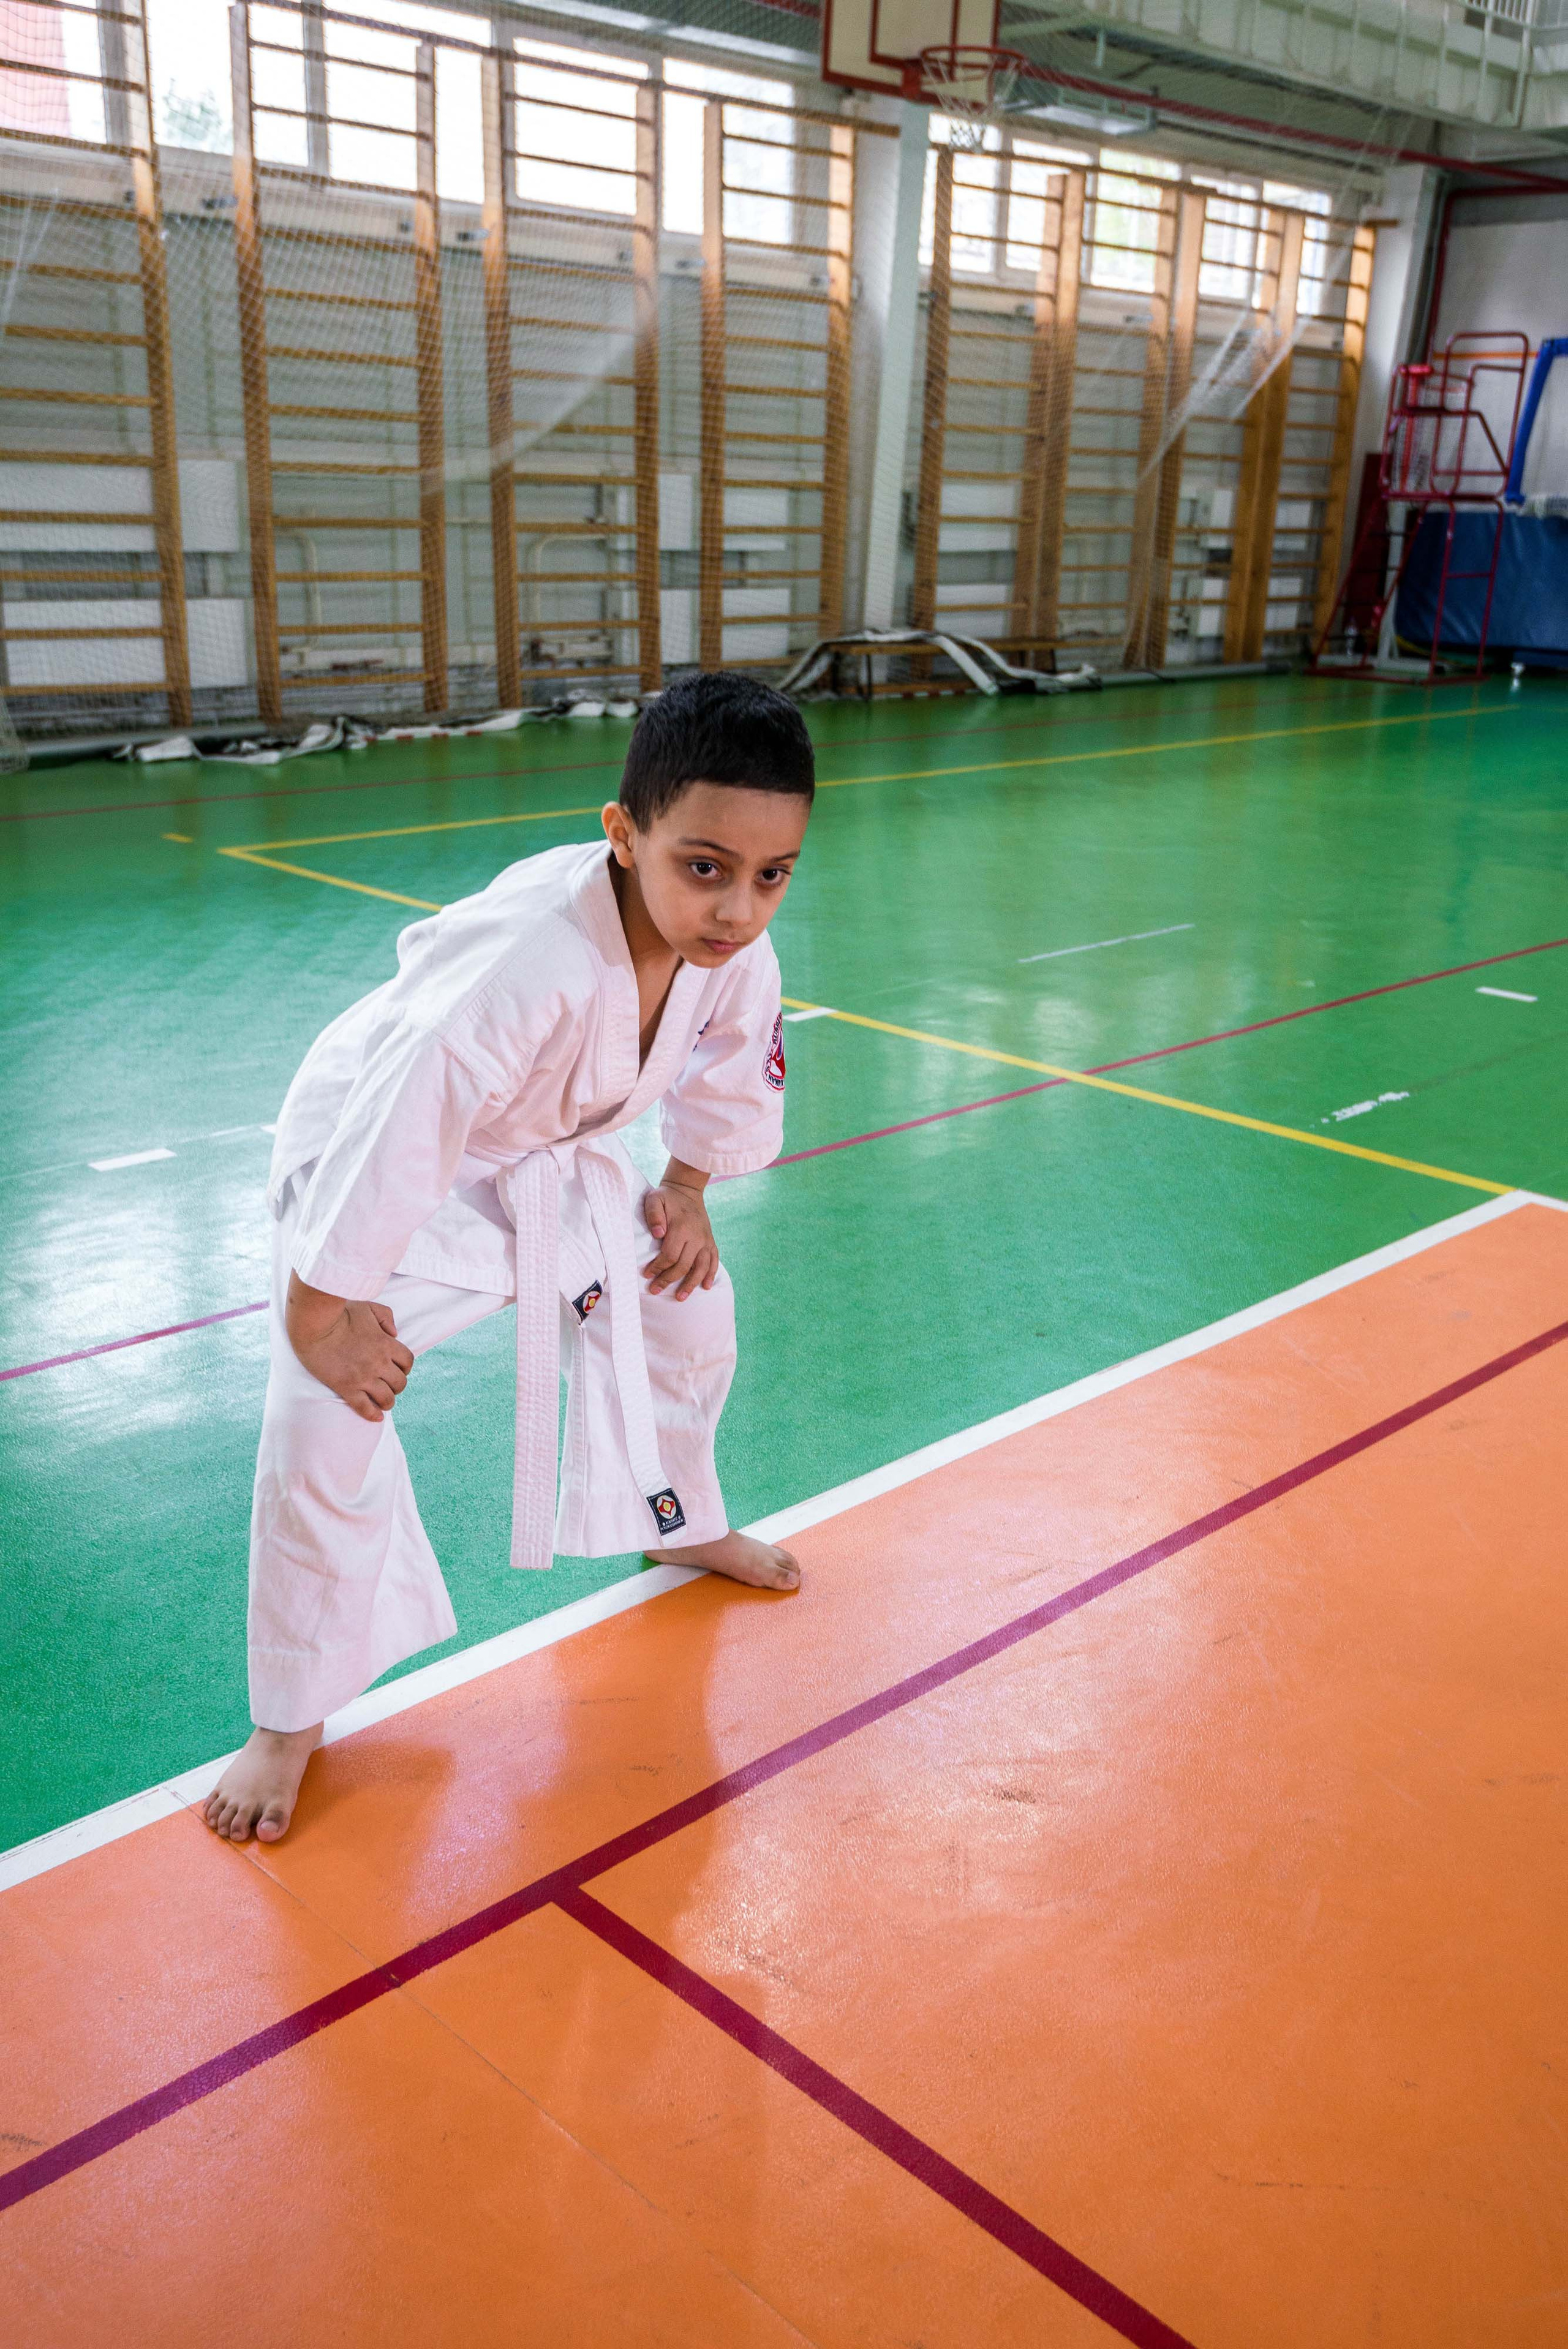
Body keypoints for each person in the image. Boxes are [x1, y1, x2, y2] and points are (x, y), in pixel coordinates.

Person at [203, 673, 813, 1846]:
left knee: (687, 1302)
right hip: (377, 1162)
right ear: (625, 835)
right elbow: (400, 1126)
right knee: (317, 1408)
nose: (738, 908)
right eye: (705, 866)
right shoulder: (522, 962)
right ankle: (290, 1715)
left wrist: (683, 1189)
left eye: (771, 874)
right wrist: (321, 1312)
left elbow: (730, 1063)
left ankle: (674, 1516)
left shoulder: (731, 949)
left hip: (540, 1154)